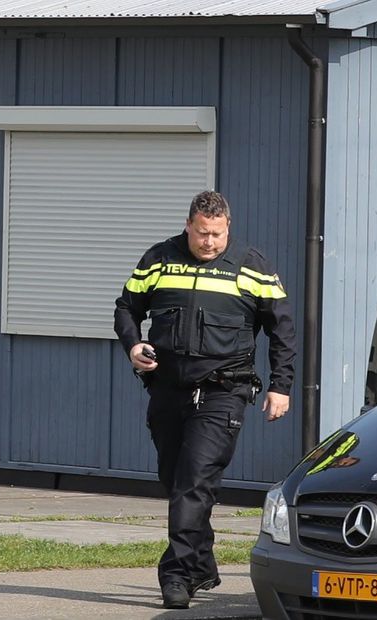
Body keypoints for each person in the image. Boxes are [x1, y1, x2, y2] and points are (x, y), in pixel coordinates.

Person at [113, 190, 295, 609]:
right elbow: (126, 307)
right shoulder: (159, 259)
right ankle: (201, 562)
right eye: (201, 234)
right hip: (167, 390)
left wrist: (280, 385)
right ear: (188, 225)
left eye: (215, 234)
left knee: (193, 480)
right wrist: (133, 345)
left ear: (227, 227)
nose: (208, 243)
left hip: (224, 391)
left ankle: (176, 575)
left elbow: (281, 329)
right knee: (177, 480)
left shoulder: (252, 266)